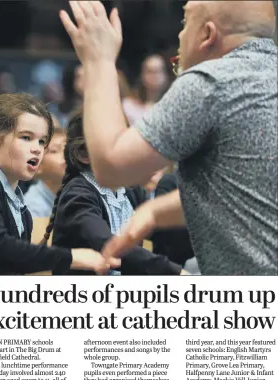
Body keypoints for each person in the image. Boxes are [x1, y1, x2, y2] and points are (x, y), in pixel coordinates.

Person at [60, 1, 277, 275]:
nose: (179, 36)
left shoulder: (210, 83)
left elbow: (111, 168)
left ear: (207, 35)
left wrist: (98, 61)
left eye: (185, 24)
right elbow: (251, 186)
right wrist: (156, 212)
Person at [0, 93, 120, 275]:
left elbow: (17, 263)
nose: (37, 148)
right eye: (26, 137)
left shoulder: (21, 207)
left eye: (42, 141)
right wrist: (71, 257)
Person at [44, 110, 184, 276]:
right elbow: (110, 245)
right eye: (115, 143)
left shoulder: (130, 190)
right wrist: (176, 273)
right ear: (83, 155)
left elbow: (162, 235)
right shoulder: (77, 196)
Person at [24, 127, 66, 218]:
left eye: (67, 147)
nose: (66, 153)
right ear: (38, 166)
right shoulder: (33, 208)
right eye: (55, 151)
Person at [122, 54, 170, 125]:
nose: (155, 76)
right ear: (142, 76)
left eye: (159, 71)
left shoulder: (173, 107)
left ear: (166, 75)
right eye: (150, 71)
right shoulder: (128, 106)